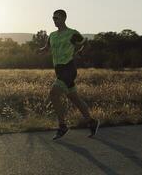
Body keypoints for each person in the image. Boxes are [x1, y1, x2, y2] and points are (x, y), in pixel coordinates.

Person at [39, 9, 100, 140]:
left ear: (64, 19)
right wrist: (42, 50)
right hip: (59, 71)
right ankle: (92, 122)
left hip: (69, 69)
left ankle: (62, 126)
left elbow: (86, 43)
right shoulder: (52, 35)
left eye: (57, 18)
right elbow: (47, 47)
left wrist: (81, 52)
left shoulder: (72, 33)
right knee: (74, 99)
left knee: (53, 93)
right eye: (53, 18)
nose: (54, 20)